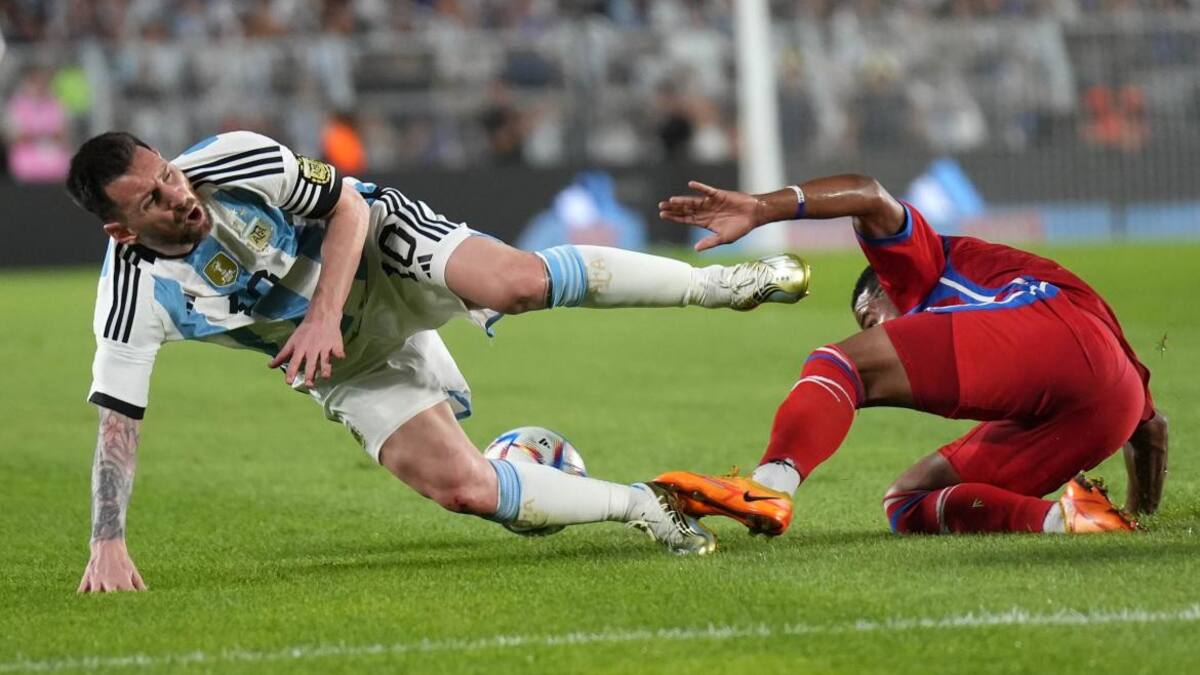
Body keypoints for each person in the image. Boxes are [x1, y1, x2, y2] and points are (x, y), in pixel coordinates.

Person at [68, 131, 813, 592]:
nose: (178, 196)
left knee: (516, 282)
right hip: (348, 363)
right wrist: (107, 541)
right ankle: (646, 504)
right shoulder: (132, 297)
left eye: (167, 173)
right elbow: (117, 422)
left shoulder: (233, 159)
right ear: (121, 229)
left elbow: (349, 208)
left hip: (377, 256)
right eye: (152, 200)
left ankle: (720, 284)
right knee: (464, 488)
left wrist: (323, 313)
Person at [653, 175, 1168, 539]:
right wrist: (1140, 512)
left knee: (840, 365)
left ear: (884, 285)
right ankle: (1074, 521)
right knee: (908, 504)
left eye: (869, 313)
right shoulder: (1029, 288)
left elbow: (870, 194)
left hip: (1047, 333)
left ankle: (767, 487)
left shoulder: (918, 264)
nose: (875, 328)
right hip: (1108, 403)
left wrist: (764, 207)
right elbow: (1152, 428)